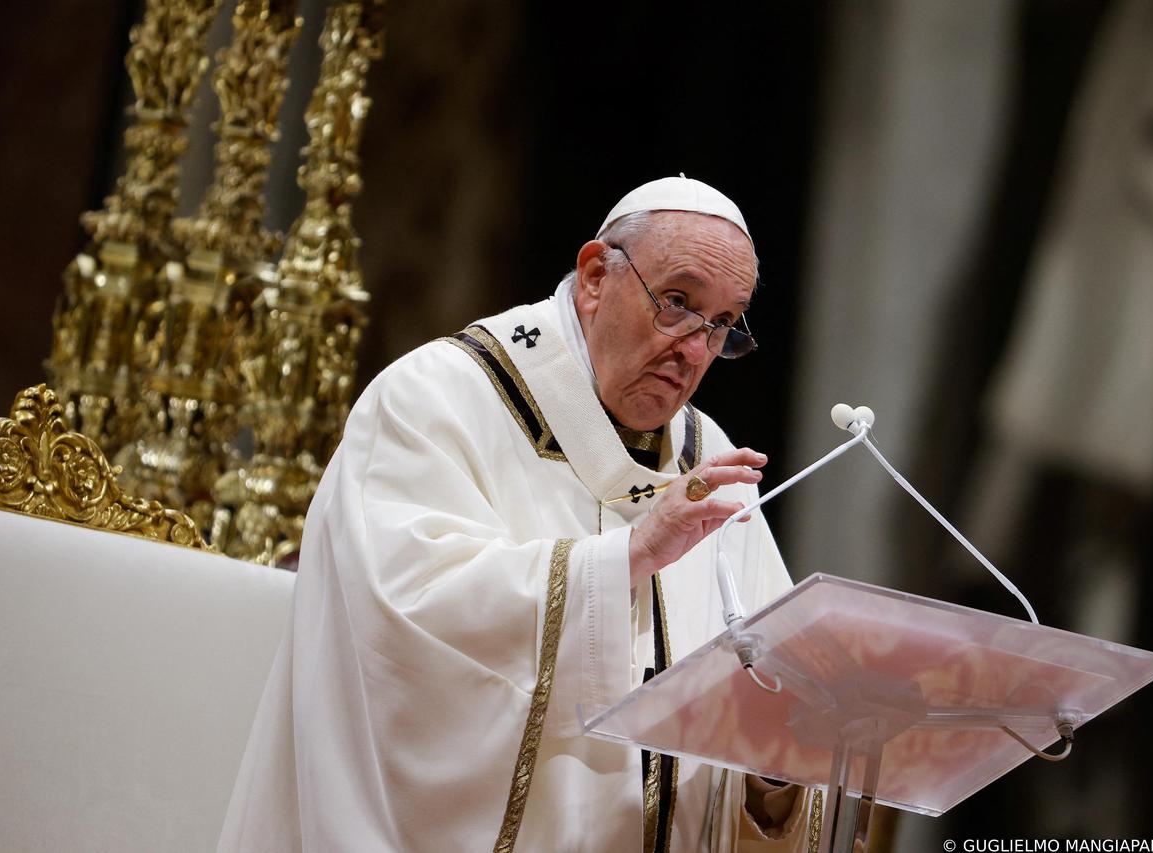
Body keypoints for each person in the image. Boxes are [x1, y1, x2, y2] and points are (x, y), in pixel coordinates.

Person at [218, 176, 820, 851]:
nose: (694, 350)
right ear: (594, 276)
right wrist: (625, 558)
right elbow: (400, 627)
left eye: (720, 325)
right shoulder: (434, 401)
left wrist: (776, 771)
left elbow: (775, 688)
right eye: (676, 303)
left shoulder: (712, 465)